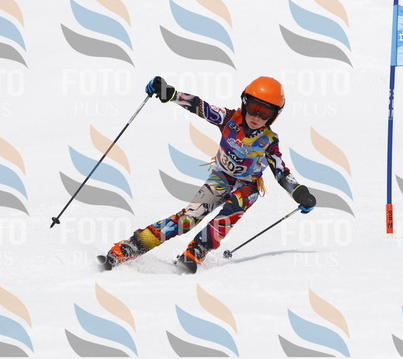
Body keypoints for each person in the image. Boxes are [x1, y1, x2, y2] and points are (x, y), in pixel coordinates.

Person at [104, 76, 316, 272]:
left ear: (274, 116)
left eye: (265, 113)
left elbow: (281, 171)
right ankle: (133, 245)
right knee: (188, 218)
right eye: (253, 109)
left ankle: (196, 251)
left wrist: (300, 193)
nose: (256, 117)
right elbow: (200, 107)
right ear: (245, 103)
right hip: (221, 178)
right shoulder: (229, 118)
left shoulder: (269, 140)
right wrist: (170, 93)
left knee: (230, 213)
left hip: (247, 187)